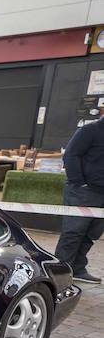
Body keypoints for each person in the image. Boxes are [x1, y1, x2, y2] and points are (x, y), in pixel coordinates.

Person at [54, 116, 104, 284]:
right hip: (84, 191)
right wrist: (79, 183)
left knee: (92, 233)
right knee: (73, 232)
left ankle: (77, 268)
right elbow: (71, 155)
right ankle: (59, 272)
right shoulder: (90, 130)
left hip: (101, 193)